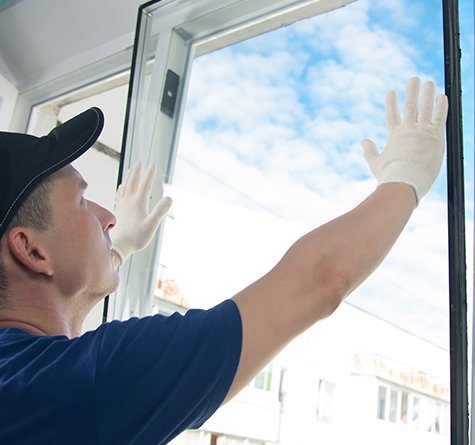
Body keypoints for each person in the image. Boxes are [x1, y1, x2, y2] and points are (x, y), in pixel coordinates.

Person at [0, 77, 448, 444]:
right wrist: (404, 179)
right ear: (32, 250)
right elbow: (319, 280)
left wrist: (117, 252)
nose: (108, 215)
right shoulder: (79, 383)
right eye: (82, 202)